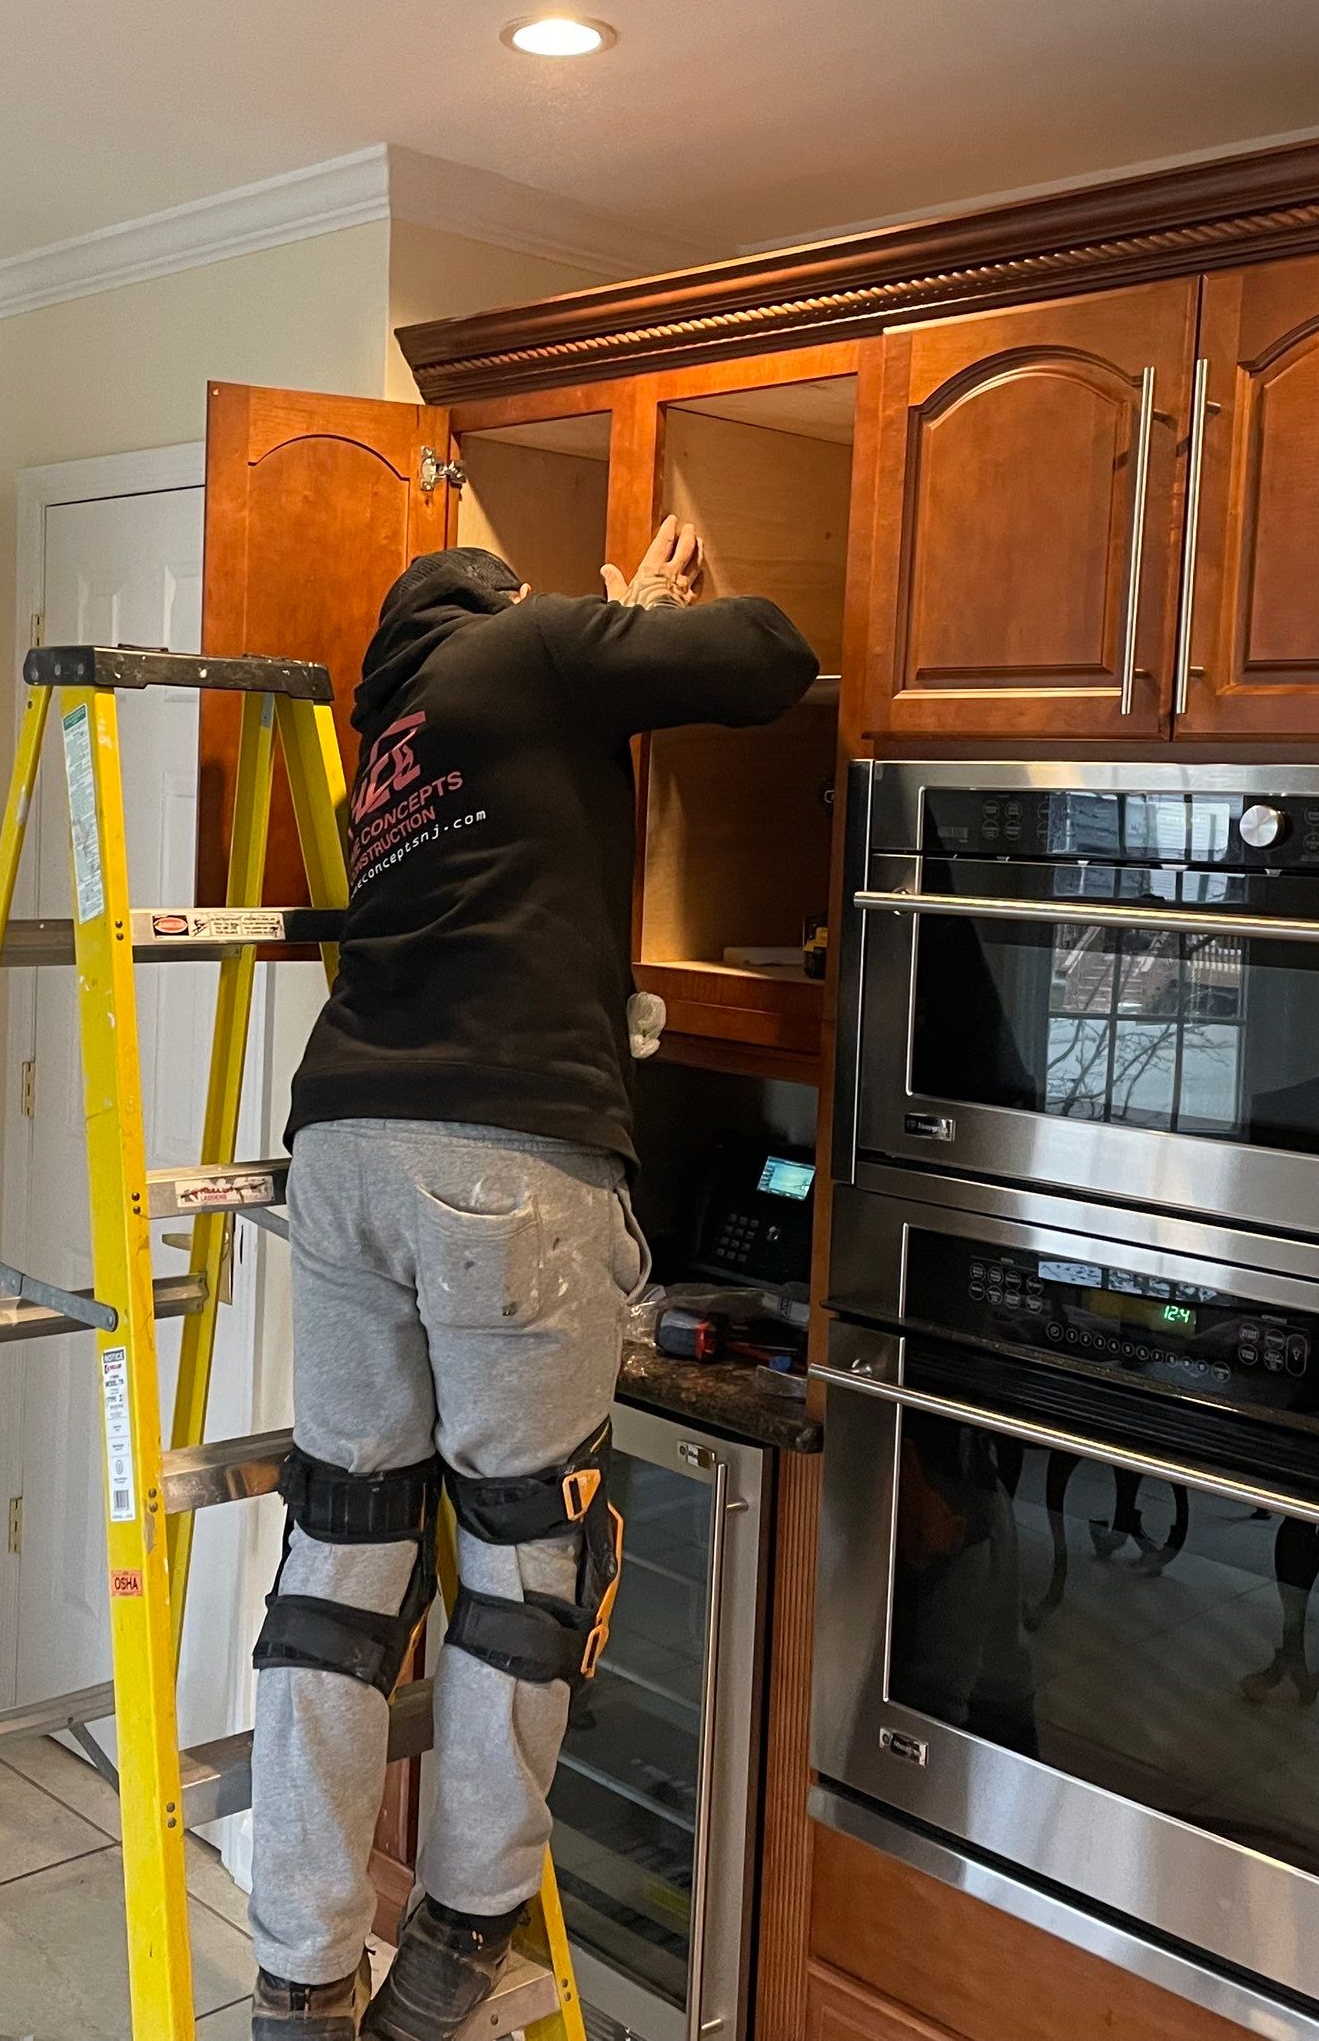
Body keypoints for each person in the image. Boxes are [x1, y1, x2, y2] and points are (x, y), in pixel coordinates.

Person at [248, 518, 819, 2040]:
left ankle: (299, 1976)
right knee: (524, 1557)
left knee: (345, 1549)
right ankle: (449, 1956)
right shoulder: (536, 646)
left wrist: (613, 630)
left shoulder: (396, 723)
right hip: (502, 1162)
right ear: (508, 595)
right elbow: (765, 658)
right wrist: (618, 620)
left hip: (346, 1150)